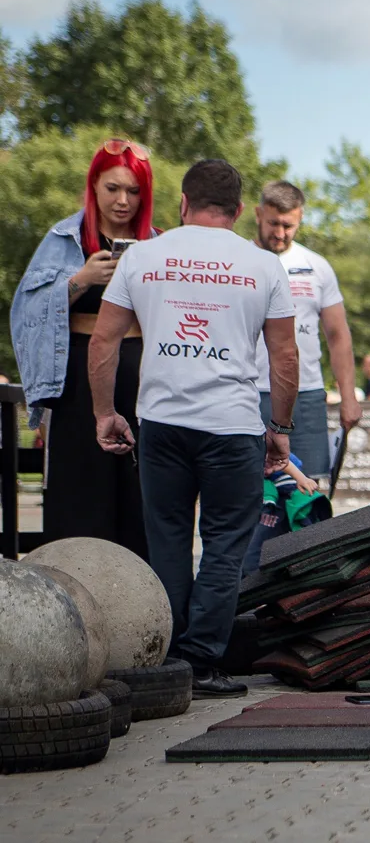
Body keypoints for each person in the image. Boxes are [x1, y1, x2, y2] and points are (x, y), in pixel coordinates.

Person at [89, 158, 297, 698]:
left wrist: (103, 413)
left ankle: (166, 658)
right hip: (232, 426)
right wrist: (280, 425)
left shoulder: (143, 257)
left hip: (161, 422)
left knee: (168, 541)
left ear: (181, 203)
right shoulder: (264, 266)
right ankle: (201, 663)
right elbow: (285, 356)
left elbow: (103, 341)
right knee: (226, 544)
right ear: (240, 211)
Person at [11, 140, 158, 560]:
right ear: (93, 185)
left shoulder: (159, 242)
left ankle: (144, 604)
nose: (123, 200)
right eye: (113, 188)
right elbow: (26, 312)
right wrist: (81, 279)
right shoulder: (63, 238)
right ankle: (73, 598)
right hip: (76, 376)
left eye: (134, 191)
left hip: (142, 378)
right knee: (79, 492)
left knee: (139, 496)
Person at [251, 181, 361, 477]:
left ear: (300, 219)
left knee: (309, 489)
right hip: (250, 391)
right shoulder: (239, 261)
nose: (280, 233)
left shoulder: (317, 266)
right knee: (252, 490)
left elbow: (338, 336)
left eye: (289, 226)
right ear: (258, 214)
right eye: (274, 223)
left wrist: (348, 397)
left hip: (307, 393)